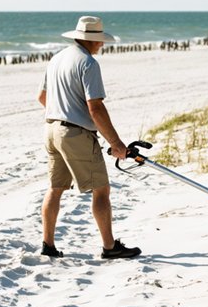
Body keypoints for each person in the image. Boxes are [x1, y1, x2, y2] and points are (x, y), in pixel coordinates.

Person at [37, 16, 141, 259]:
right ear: (89, 40)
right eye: (99, 40)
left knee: (55, 188)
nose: (102, 44)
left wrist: (63, 111)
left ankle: (48, 245)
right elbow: (95, 108)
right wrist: (116, 144)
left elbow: (42, 98)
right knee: (101, 189)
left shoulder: (56, 59)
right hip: (74, 134)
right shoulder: (88, 63)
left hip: (51, 129)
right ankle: (109, 247)